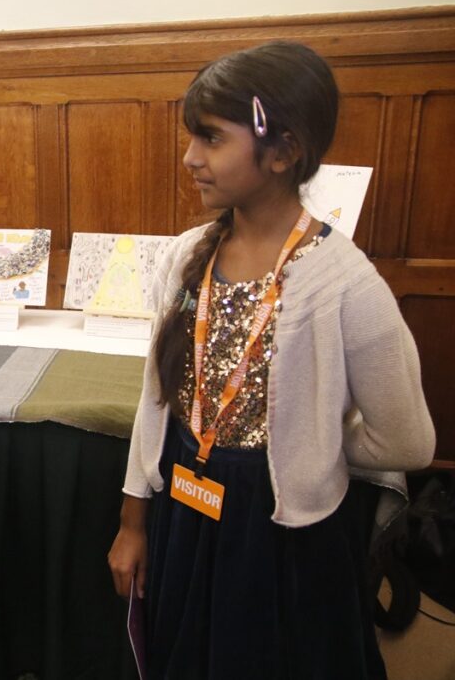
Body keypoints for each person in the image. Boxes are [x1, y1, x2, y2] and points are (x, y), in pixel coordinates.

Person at [106, 42, 435, 679]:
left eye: (210, 138)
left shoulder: (346, 284)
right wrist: (132, 521)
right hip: (187, 506)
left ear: (283, 152)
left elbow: (409, 441)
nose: (190, 157)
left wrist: (311, 438)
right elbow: (157, 400)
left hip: (282, 531)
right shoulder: (185, 257)